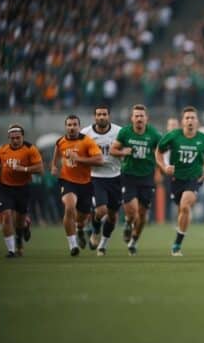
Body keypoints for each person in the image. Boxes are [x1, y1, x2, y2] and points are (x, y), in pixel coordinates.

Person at [156, 106, 204, 256]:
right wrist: (164, 166)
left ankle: (177, 244)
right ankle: (180, 231)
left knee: (185, 206)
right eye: (187, 118)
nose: (190, 120)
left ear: (197, 121)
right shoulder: (173, 136)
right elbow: (158, 151)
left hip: (194, 178)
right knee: (181, 208)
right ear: (182, 121)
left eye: (193, 118)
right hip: (176, 179)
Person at [111, 104, 162, 255]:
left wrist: (160, 170)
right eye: (136, 116)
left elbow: (160, 153)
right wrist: (122, 152)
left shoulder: (154, 134)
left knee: (143, 215)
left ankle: (134, 241)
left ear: (147, 118)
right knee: (133, 211)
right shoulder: (125, 132)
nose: (139, 118)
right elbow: (113, 150)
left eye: (142, 116)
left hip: (147, 176)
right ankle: (127, 223)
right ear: (132, 118)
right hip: (129, 175)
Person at [51, 115, 104, 256]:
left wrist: (79, 159)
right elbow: (57, 151)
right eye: (69, 124)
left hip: (85, 183)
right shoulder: (61, 141)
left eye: (74, 124)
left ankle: (80, 229)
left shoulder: (87, 141)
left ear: (79, 127)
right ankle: (73, 246)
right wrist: (53, 166)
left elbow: (99, 160)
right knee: (69, 207)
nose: (72, 127)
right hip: (67, 181)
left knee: (82, 219)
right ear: (66, 126)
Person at [0, 124, 44, 257]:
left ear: (22, 137)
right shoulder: (2, 149)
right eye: (12, 138)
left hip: (23, 188)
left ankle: (20, 237)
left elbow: (40, 169)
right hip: (4, 188)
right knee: (6, 216)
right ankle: (11, 250)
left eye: (18, 138)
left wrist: (24, 169)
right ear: (9, 137)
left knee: (19, 221)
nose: (15, 140)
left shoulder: (30, 149)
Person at [80, 105, 122, 255]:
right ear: (94, 117)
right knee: (101, 210)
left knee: (113, 216)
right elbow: (79, 152)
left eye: (104, 114)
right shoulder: (86, 133)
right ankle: (96, 230)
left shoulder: (119, 131)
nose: (101, 117)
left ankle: (103, 245)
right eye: (99, 114)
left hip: (116, 176)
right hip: (96, 177)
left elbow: (125, 148)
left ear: (109, 116)